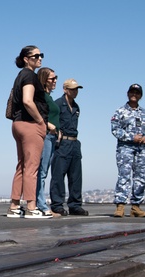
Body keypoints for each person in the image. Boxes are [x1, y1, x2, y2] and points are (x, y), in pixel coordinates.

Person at [8, 45, 49, 218]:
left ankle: (14, 206)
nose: (40, 58)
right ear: (26, 58)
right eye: (36, 56)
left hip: (18, 124)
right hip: (30, 125)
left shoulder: (20, 76)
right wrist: (41, 121)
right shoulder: (30, 75)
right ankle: (32, 207)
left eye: (42, 55)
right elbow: (27, 100)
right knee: (32, 167)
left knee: (22, 166)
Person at [111, 84, 145, 217]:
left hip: (142, 150)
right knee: (124, 176)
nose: (134, 95)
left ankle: (136, 206)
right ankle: (120, 206)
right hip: (125, 148)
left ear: (140, 95)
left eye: (137, 93)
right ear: (128, 93)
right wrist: (132, 137)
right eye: (132, 92)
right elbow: (115, 129)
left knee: (141, 178)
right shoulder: (120, 111)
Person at [50, 79, 87, 216]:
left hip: (75, 143)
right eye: (72, 89)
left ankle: (75, 205)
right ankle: (57, 204)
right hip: (62, 143)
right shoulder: (58, 104)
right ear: (65, 89)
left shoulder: (76, 107)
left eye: (76, 89)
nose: (75, 91)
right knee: (58, 176)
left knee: (76, 176)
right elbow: (50, 121)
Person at [35, 68, 60, 214]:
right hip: (45, 135)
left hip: (52, 136)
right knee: (42, 172)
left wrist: (58, 130)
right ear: (44, 80)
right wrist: (47, 124)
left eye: (56, 77)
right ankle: (41, 205)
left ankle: (41, 204)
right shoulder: (42, 96)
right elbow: (37, 113)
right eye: (52, 78)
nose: (55, 80)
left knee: (44, 171)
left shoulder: (49, 97)